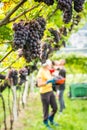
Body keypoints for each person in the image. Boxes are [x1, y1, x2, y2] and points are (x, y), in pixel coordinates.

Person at [37, 59, 58, 130]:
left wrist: (53, 80)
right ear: (46, 65)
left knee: (55, 107)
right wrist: (48, 81)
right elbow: (39, 84)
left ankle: (51, 118)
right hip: (44, 93)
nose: (51, 66)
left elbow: (50, 78)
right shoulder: (41, 71)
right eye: (50, 65)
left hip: (50, 91)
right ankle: (45, 122)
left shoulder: (47, 71)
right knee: (46, 109)